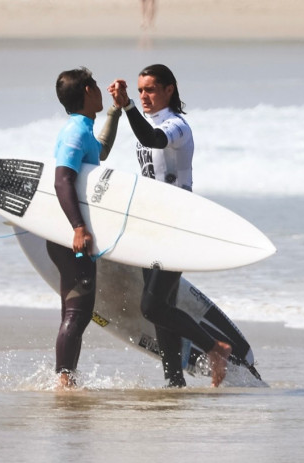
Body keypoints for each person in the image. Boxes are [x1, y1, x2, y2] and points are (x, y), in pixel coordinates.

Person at [108, 64, 232, 388]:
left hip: (177, 223)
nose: (144, 96)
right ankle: (174, 381)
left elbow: (152, 139)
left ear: (169, 89)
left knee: (152, 307)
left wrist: (128, 107)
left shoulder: (177, 127)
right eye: (139, 90)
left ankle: (214, 348)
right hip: (153, 223)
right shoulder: (148, 122)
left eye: (150, 89)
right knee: (161, 306)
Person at [50, 67, 121, 388]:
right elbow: (62, 178)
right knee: (78, 311)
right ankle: (64, 381)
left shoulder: (83, 128)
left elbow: (100, 151)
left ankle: (66, 378)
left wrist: (116, 112)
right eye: (95, 85)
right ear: (89, 91)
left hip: (69, 231)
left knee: (75, 310)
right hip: (71, 234)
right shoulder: (75, 132)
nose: (99, 90)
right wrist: (79, 228)